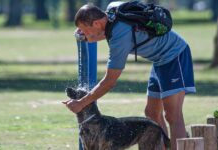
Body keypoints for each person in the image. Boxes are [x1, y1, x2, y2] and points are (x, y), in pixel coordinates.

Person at [62, 3, 196, 150]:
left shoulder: (119, 38)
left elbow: (109, 82)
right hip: (159, 60)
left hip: (174, 55)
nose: (83, 34)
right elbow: (103, 32)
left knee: (172, 115)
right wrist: (89, 35)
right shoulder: (111, 14)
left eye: (85, 30)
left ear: (96, 23)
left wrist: (81, 103)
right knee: (151, 113)